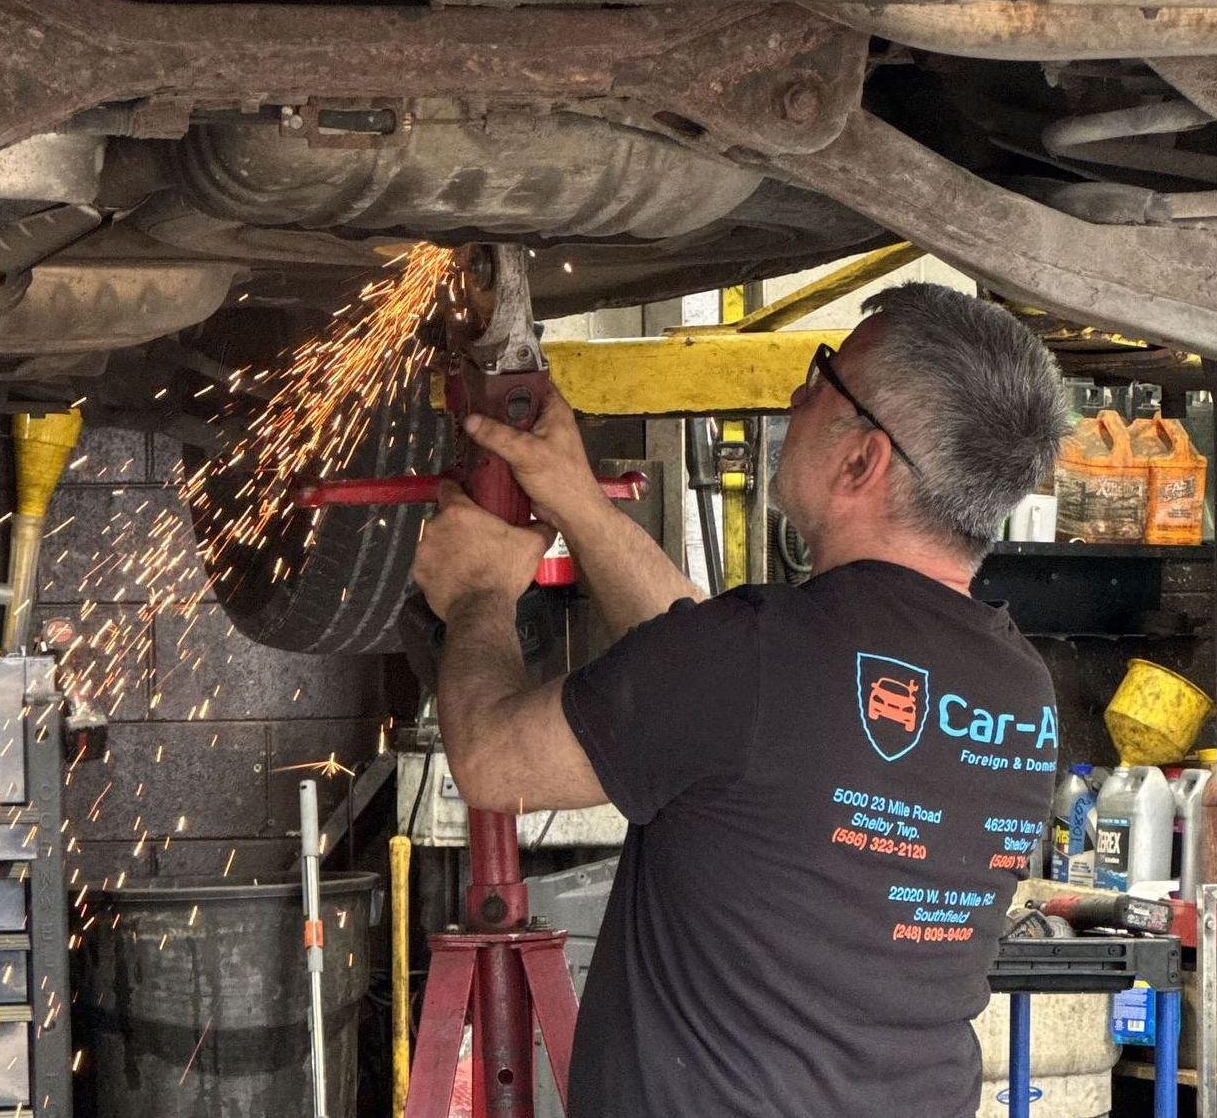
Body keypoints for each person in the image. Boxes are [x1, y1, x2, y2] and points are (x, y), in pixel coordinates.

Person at [411, 281, 1071, 1117]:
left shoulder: (757, 662)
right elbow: (701, 682)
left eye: (820, 374)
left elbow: (491, 760)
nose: (794, 397)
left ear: (862, 458)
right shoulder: (1020, 689)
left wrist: (476, 594)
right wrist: (574, 498)